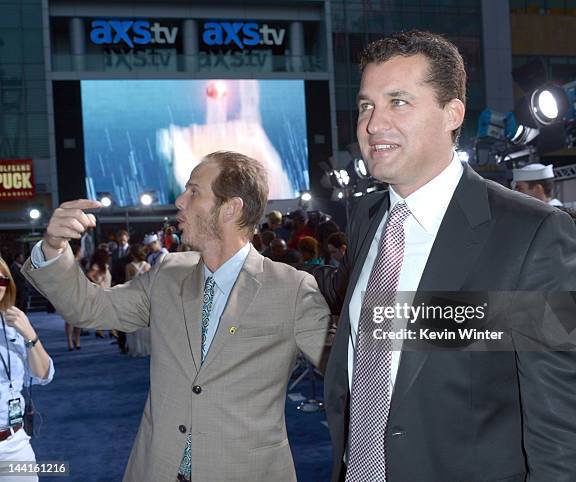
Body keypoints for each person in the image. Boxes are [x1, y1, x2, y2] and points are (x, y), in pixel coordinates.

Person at [313, 30, 576, 482]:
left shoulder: (538, 235)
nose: (373, 125)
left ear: (453, 113)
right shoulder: (367, 218)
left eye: (399, 102)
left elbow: (569, 428)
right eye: (367, 105)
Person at [22, 150, 330, 482]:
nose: (180, 201)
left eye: (194, 191)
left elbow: (351, 369)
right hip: (158, 468)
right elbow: (90, 308)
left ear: (230, 208)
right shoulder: (168, 272)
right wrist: (53, 247)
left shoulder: (291, 287)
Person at [0, 256, 54, 482]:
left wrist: (31, 336)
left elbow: (42, 375)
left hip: (13, 445)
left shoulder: (12, 323)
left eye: (1, 281)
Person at [125, 244, 151, 357]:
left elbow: (127, 283)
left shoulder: (129, 266)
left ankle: (137, 347)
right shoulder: (148, 266)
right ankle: (148, 347)